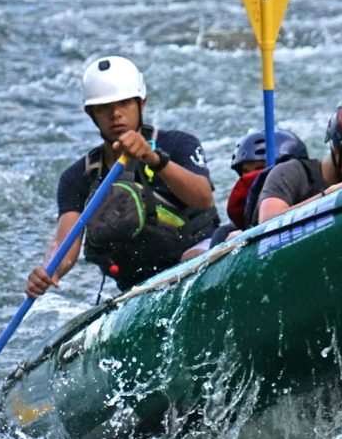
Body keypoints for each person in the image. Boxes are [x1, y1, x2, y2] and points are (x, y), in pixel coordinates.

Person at [26, 55, 219, 296]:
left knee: (194, 256)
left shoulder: (179, 144)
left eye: (124, 103)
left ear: (141, 104)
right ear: (91, 114)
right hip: (136, 285)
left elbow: (203, 198)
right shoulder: (77, 177)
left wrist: (154, 159)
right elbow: (65, 244)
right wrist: (50, 270)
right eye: (104, 107)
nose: (115, 114)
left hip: (197, 255)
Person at [180, 127, 310, 260]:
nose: (251, 178)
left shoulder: (315, 193)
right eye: (245, 172)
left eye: (260, 168)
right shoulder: (226, 234)